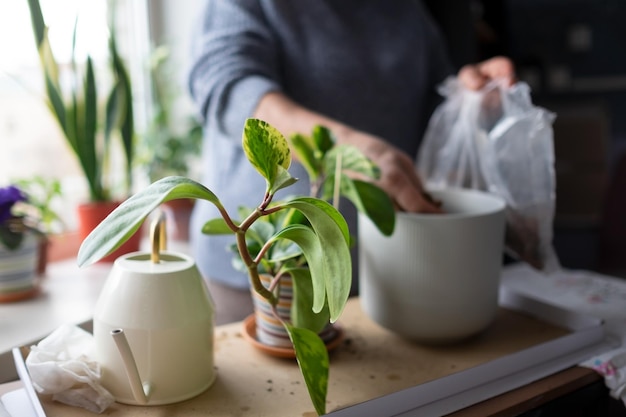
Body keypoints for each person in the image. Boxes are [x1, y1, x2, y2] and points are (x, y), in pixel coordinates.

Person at [187, 0, 515, 324]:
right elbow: (227, 86)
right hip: (259, 278)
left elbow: (434, 105)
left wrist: (471, 97)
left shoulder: (406, 10)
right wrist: (343, 149)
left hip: (380, 277)